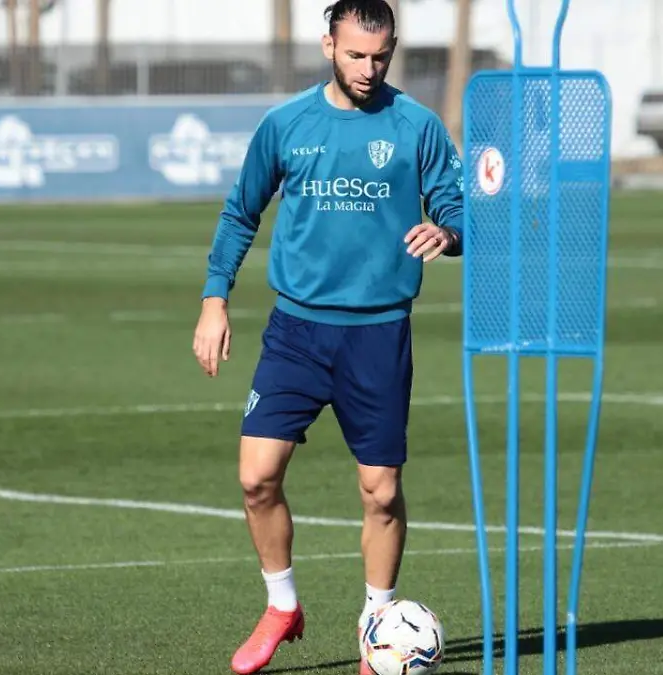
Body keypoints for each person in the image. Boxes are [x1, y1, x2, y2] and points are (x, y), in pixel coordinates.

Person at [191, 1, 464, 673]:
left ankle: (378, 627)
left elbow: (460, 209)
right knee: (256, 479)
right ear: (327, 47)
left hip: (378, 333)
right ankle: (282, 605)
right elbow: (239, 212)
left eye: (381, 56)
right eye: (355, 55)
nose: (369, 69)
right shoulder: (286, 125)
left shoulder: (417, 127)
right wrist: (214, 299)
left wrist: (449, 232)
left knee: (379, 489)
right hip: (296, 332)